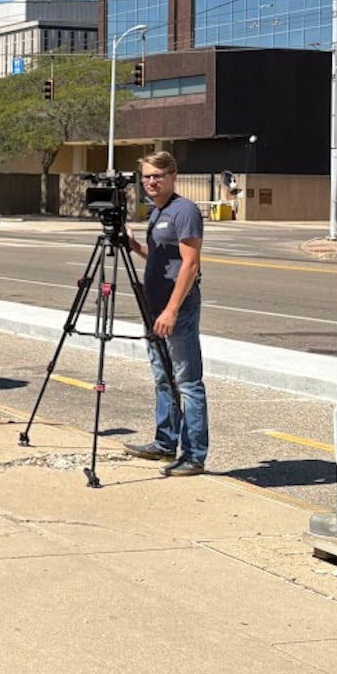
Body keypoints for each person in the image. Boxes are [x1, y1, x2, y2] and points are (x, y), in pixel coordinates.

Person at [123, 150, 210, 476]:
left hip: (178, 308)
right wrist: (133, 246)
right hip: (154, 307)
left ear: (173, 175)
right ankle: (164, 442)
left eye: (157, 176)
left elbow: (190, 263)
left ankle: (194, 455)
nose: (150, 182)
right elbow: (163, 259)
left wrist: (172, 310)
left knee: (187, 382)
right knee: (163, 378)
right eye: (146, 176)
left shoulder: (183, 211)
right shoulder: (157, 212)